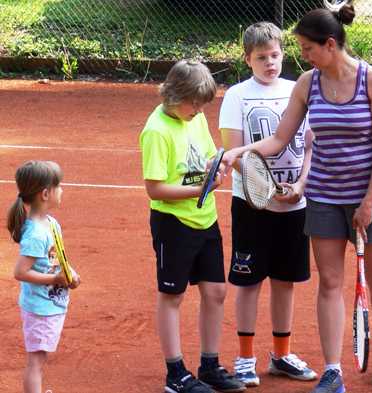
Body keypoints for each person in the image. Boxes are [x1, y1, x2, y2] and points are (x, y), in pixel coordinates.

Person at [222, 3, 372, 391]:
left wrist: (369, 202)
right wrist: (239, 153)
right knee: (330, 282)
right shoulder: (309, 83)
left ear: (331, 44)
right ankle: (333, 369)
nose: (302, 57)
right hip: (323, 195)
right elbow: (279, 139)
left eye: (307, 49)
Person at [219, 21, 317, 388]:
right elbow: (235, 151)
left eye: (275, 55)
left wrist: (300, 185)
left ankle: (281, 354)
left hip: (294, 204)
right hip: (253, 205)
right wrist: (266, 188)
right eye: (262, 58)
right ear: (248, 59)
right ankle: (245, 358)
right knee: (248, 282)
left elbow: (309, 145)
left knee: (285, 280)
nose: (270, 63)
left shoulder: (297, 90)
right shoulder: (236, 96)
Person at [139, 60, 245, 393]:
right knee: (172, 295)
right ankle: (176, 374)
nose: (199, 110)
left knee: (216, 292)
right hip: (174, 223)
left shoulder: (194, 118)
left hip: (206, 219)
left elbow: (210, 155)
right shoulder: (156, 131)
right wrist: (198, 190)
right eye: (194, 103)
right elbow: (155, 189)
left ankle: (209, 366)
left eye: (203, 104)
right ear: (173, 95)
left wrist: (218, 165)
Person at [7, 160, 81, 393]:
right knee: (36, 362)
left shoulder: (51, 223)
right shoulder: (36, 234)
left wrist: (70, 274)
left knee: (41, 357)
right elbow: (20, 272)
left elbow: (57, 257)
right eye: (58, 186)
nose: (62, 190)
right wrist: (55, 280)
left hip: (50, 303)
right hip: (39, 307)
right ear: (46, 193)